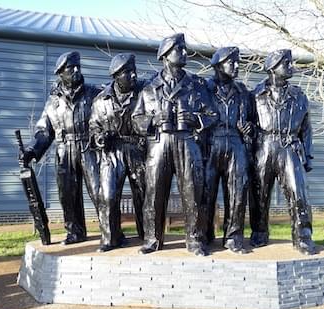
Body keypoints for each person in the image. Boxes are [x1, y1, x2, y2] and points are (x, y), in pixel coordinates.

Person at [132, 33, 216, 256]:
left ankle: (195, 239)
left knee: (193, 191)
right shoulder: (149, 86)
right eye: (179, 50)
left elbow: (212, 114)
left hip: (187, 142)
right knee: (154, 193)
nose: (184, 53)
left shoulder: (196, 84)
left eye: (184, 49)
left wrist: (195, 119)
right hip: (159, 143)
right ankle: (152, 239)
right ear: (166, 55)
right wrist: (151, 120)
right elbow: (136, 118)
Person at [20, 51, 100, 245]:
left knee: (99, 191)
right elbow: (44, 130)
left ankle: (111, 232)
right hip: (64, 150)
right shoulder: (53, 102)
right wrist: (32, 149)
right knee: (67, 194)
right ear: (60, 73)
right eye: (70, 68)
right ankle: (75, 232)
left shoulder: (93, 93)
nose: (75, 70)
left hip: (87, 147)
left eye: (77, 67)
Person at [249, 49, 316, 255]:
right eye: (286, 63)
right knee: (259, 194)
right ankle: (259, 232)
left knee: (298, 194)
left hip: (289, 146)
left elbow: (306, 128)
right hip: (264, 146)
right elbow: (248, 124)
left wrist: (308, 155)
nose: (291, 67)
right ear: (272, 68)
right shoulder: (255, 95)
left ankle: (303, 236)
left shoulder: (299, 96)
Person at [89, 53, 146, 251]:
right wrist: (99, 137)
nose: (133, 76)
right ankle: (110, 239)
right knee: (109, 195)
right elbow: (93, 126)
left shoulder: (144, 93)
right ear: (116, 75)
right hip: (111, 152)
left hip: (137, 149)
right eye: (128, 73)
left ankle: (147, 235)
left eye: (134, 72)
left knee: (144, 193)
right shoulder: (101, 100)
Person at [204, 47, 254, 253]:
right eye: (231, 62)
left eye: (237, 62)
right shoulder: (204, 88)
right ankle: (205, 235)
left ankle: (233, 237)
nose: (236, 66)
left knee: (237, 193)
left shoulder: (243, 92)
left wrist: (248, 129)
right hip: (211, 143)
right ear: (218, 65)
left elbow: (254, 120)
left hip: (236, 143)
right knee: (206, 193)